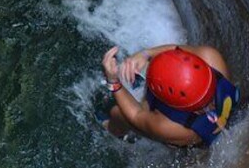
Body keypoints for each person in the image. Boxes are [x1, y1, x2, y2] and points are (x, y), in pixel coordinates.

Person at [100, 44, 240, 147]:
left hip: (186, 133)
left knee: (119, 114)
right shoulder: (210, 57)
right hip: (206, 112)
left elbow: (136, 116)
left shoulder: (170, 127)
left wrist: (114, 82)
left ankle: (112, 129)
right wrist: (145, 54)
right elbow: (178, 51)